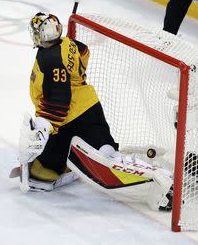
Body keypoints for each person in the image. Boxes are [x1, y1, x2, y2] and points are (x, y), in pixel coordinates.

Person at [15, 12, 174, 211]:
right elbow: (84, 51)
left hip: (69, 119)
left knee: (101, 158)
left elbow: (59, 101)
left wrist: (43, 127)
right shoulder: (67, 43)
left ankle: (159, 179)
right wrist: (75, 78)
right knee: (46, 171)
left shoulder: (50, 58)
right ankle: (74, 160)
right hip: (88, 105)